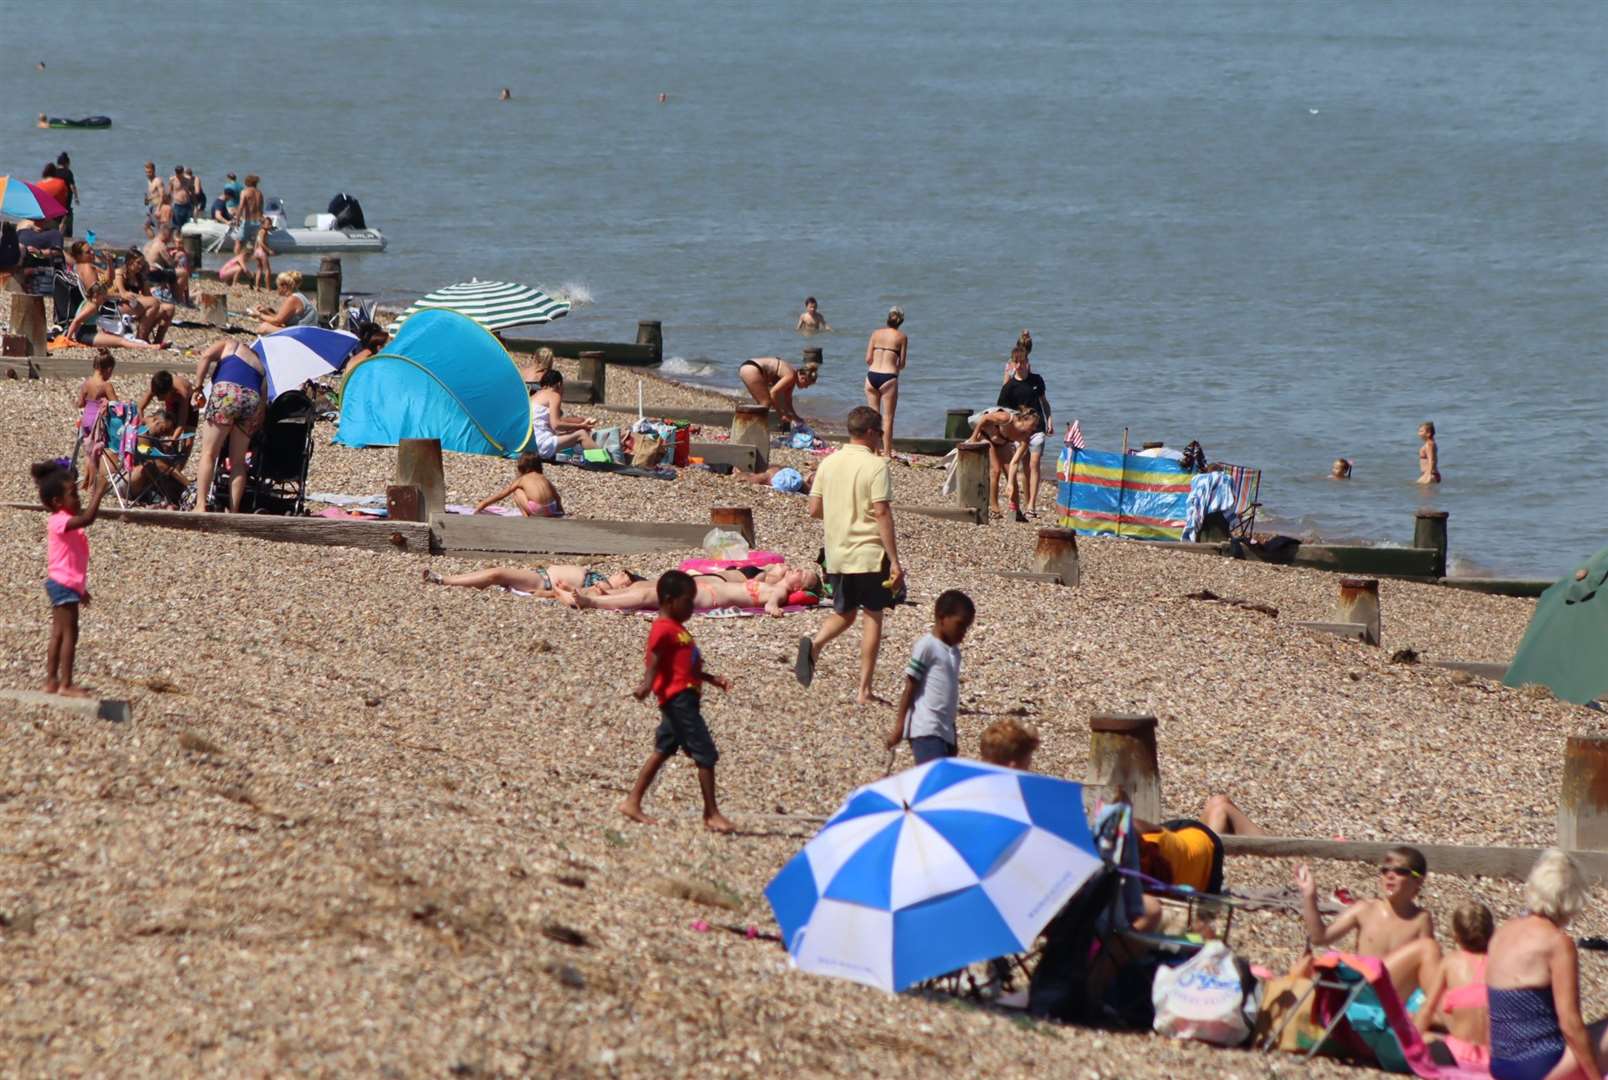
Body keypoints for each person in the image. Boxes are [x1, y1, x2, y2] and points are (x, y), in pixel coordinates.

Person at [796, 406, 904, 705]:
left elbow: (814, 509)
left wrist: (841, 509)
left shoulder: (828, 463)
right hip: (868, 552)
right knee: (873, 616)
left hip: (837, 553)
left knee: (844, 612)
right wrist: (894, 559)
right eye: (880, 431)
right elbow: (881, 511)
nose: (882, 437)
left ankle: (815, 643)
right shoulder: (876, 466)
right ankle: (864, 690)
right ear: (870, 432)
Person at [620, 570, 735, 833]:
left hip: (685, 697)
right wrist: (647, 685)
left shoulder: (678, 630)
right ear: (670, 600)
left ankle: (632, 801)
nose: (692, 606)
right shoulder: (662, 628)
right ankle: (711, 814)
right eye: (688, 600)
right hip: (678, 699)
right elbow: (655, 659)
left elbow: (685, 666)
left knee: (663, 750)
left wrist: (711, 678)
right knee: (705, 753)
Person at [1486, 849, 1608, 1080]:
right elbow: (1570, 1024)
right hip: (1539, 1066)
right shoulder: (1556, 943)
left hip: (1500, 1064)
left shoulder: (1502, 933)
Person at [1297, 846, 1437, 1005]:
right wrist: (1309, 895)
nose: (1390, 876)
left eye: (1400, 871)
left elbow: (1427, 970)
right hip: (1366, 992)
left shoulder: (1420, 919)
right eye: (1385, 871)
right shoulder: (1365, 909)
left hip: (1399, 998)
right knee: (1429, 949)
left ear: (1418, 880)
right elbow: (1320, 937)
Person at [32, 460, 108, 696]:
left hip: (64, 584)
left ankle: (51, 681)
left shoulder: (62, 522)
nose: (79, 500)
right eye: (73, 495)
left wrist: (81, 590)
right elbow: (87, 519)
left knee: (58, 633)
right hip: (63, 584)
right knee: (69, 634)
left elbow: (71, 561)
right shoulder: (60, 521)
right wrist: (97, 494)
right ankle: (65, 683)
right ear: (57, 502)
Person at [884, 590, 974, 764]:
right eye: (960, 625)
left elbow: (949, 696)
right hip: (926, 729)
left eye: (967, 627)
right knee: (933, 780)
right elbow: (910, 687)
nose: (964, 632)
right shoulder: (927, 646)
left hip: (944, 731)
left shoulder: (954, 653)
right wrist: (899, 726)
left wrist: (952, 732)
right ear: (942, 618)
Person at [1415, 902, 1494, 1070]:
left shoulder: (1451, 963)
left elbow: (1427, 1010)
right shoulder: (1500, 965)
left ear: (1455, 936)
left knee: (1426, 1038)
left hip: (1455, 1057)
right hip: (1493, 1059)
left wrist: (1411, 1045)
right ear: (1492, 933)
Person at [193, 338, 268, 513]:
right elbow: (263, 404)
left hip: (227, 392)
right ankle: (234, 511)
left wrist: (197, 388)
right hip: (252, 399)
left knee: (209, 453)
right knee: (238, 462)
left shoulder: (230, 344)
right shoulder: (260, 367)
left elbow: (205, 356)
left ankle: (200, 505)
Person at [558, 568, 820, 617]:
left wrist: (772, 607)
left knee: (653, 598)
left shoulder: (779, 592)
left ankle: (592, 601)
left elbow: (773, 601)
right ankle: (598, 598)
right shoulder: (773, 580)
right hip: (708, 589)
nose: (796, 569)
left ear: (798, 587)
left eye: (801, 573)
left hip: (711, 598)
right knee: (654, 593)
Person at [996, 344, 1053, 517]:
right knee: (1024, 467)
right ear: (1012, 364)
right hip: (1019, 433)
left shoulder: (1037, 380)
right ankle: (1022, 501)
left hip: (1037, 429)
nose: (1019, 366)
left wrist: (1049, 419)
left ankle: (1031, 506)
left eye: (1022, 362)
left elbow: (1044, 402)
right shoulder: (1009, 387)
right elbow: (1001, 412)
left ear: (1027, 362)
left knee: (1034, 463)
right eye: (1016, 363)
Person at [964, 406, 1041, 519]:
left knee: (1011, 475)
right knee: (996, 470)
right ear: (1024, 420)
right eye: (1032, 425)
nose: (1034, 429)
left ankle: (1014, 512)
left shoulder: (1025, 438)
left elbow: (1014, 463)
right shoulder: (1006, 418)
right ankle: (995, 509)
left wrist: (1009, 482)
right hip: (986, 437)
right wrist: (974, 437)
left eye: (1035, 426)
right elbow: (985, 419)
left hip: (1003, 443)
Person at [424, 564, 642, 597]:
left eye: (626, 576)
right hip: (541, 576)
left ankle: (445, 580)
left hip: (542, 581)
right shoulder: (600, 579)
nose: (621, 574)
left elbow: (605, 594)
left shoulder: (603, 585)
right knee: (494, 573)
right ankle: (448, 580)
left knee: (496, 573)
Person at [64, 283, 165, 351]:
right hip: (85, 335)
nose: (104, 300)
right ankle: (151, 347)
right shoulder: (92, 307)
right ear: (96, 295)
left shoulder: (89, 300)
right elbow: (76, 321)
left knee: (120, 338)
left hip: (88, 332)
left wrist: (124, 296)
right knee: (121, 341)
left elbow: (111, 296)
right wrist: (67, 340)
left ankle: (147, 345)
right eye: (103, 297)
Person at [863, 307, 907, 458]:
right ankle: (887, 452)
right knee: (887, 418)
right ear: (901, 321)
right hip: (888, 377)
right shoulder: (901, 337)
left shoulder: (875, 334)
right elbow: (902, 364)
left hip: (871, 376)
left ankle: (874, 451)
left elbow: (868, 359)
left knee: (874, 417)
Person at [737, 355, 817, 429]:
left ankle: (752, 427)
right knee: (766, 403)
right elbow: (773, 393)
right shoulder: (791, 376)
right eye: (807, 384)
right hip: (752, 369)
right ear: (803, 378)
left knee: (763, 405)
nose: (806, 388)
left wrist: (797, 418)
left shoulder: (792, 377)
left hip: (749, 367)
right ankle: (751, 429)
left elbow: (788, 402)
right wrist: (781, 414)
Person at [530, 370, 596, 459]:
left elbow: (548, 424)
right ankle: (605, 461)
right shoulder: (553, 395)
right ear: (559, 384)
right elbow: (556, 425)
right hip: (542, 445)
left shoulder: (533, 397)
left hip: (531, 446)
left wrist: (575, 426)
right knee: (581, 434)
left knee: (572, 433)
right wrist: (581, 426)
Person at [111, 250, 174, 343]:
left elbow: (148, 296)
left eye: (142, 264)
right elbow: (123, 294)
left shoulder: (139, 277)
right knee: (154, 303)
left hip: (134, 305)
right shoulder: (120, 273)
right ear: (129, 261)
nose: (140, 266)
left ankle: (158, 341)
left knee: (169, 308)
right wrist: (139, 297)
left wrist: (145, 280)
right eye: (138, 263)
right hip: (119, 306)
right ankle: (141, 337)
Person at [474, 452, 563, 517]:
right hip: (551, 509)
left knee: (516, 491)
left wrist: (484, 504)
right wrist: (560, 511)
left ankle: (526, 516)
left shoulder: (522, 479)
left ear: (522, 467)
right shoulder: (543, 478)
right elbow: (557, 497)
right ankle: (547, 513)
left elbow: (502, 494)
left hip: (537, 509)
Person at [730, 464, 811, 494]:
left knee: (762, 477)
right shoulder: (774, 471)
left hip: (782, 477)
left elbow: (750, 479)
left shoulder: (770, 474)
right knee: (805, 488)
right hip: (794, 477)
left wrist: (738, 474)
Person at [55, 153, 79, 238]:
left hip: (54, 202)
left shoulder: (54, 172)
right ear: (67, 163)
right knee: (66, 222)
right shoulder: (68, 173)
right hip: (65, 203)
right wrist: (76, 198)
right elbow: (72, 186)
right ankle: (65, 237)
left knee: (56, 223)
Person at [142, 162, 163, 238]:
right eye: (146, 172)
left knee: (160, 230)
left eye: (149, 172)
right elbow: (155, 195)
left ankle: (159, 244)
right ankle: (154, 242)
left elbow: (162, 196)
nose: (148, 174)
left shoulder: (158, 181)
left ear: (154, 171)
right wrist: (148, 199)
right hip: (152, 207)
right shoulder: (149, 181)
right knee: (146, 226)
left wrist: (158, 209)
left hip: (159, 208)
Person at [168, 166, 193, 231]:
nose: (178, 174)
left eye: (180, 173)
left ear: (183, 172)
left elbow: (192, 192)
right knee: (177, 226)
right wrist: (169, 205)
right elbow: (169, 192)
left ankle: (184, 239)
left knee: (188, 224)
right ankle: (176, 238)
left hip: (187, 204)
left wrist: (195, 205)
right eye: (177, 173)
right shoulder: (172, 180)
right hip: (177, 205)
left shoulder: (188, 179)